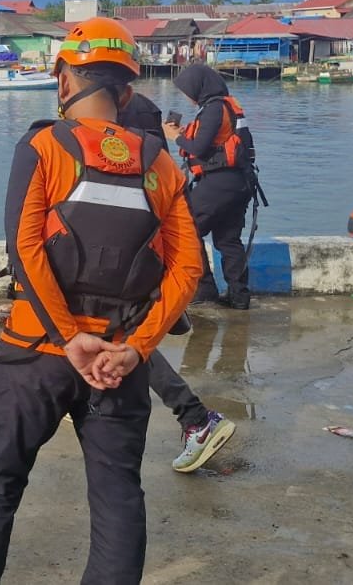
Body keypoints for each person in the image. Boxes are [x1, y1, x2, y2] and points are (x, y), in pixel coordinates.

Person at [0, 17, 202, 584]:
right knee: (117, 500)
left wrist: (67, 338)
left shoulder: (44, 145)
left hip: (36, 354)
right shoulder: (160, 163)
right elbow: (188, 266)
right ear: (128, 92)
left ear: (64, 81)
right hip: (117, 363)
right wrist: (136, 349)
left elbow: (25, 248)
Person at [116, 91, 237, 473]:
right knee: (124, 344)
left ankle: (196, 417)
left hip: (128, 277)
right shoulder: (160, 168)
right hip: (147, 273)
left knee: (126, 344)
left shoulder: (125, 165)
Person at [163, 64, 257, 310]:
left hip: (219, 182)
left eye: (187, 91)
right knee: (228, 240)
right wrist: (186, 134)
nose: (186, 96)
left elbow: (199, 149)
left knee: (187, 229)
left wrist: (175, 137)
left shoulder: (214, 108)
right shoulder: (225, 105)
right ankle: (239, 296)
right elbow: (214, 142)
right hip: (240, 183)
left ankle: (204, 289)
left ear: (198, 87)